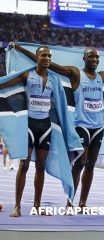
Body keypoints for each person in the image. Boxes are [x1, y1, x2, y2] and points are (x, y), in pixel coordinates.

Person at [12, 43, 104, 211]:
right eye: (91, 56)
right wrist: (21, 50)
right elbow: (49, 65)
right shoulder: (76, 74)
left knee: (91, 164)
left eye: (97, 57)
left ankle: (82, 203)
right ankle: (70, 201)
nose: (94, 59)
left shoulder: (102, 76)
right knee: (81, 162)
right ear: (84, 59)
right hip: (81, 124)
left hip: (98, 126)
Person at [1, 45, 56, 217]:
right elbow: (5, 86)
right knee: (23, 165)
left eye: (49, 56)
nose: (47, 58)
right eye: (43, 55)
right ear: (37, 57)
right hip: (29, 125)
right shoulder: (27, 75)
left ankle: (37, 206)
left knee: (41, 167)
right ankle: (17, 206)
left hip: (46, 126)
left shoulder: (54, 79)